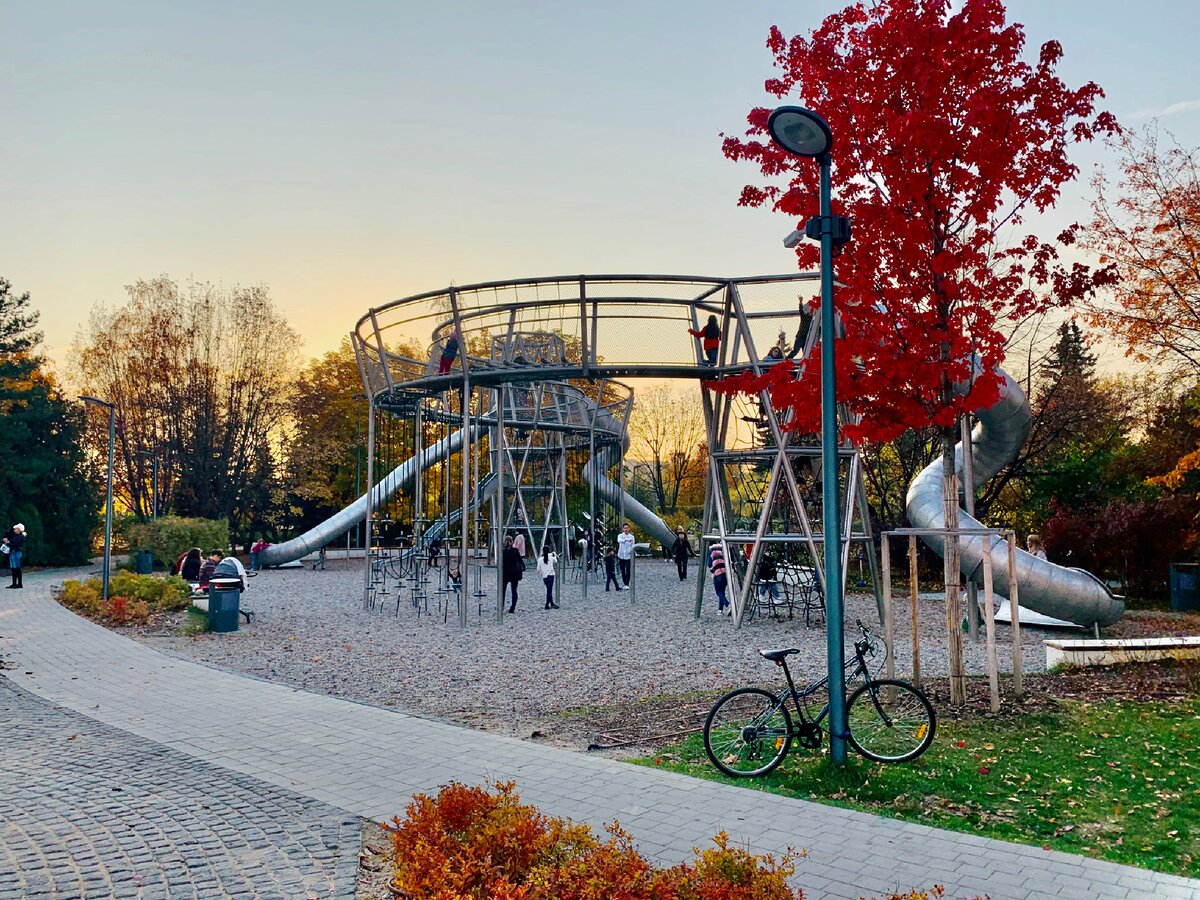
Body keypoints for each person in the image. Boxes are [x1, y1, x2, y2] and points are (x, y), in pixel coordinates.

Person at [501, 535, 523, 613]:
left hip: (505, 574)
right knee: (514, 590)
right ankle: (512, 607)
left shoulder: (503, 552)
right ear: (512, 542)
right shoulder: (515, 551)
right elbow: (520, 561)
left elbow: (500, 563)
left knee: (502, 591)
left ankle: (501, 606)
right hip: (514, 573)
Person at [709, 543, 729, 615]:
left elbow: (709, 564)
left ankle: (728, 604)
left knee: (718, 592)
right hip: (725, 573)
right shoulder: (723, 552)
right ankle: (720, 609)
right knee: (722, 591)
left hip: (717, 574)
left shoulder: (711, 553)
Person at [7, 524, 26, 589]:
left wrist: (8, 542)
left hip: (17, 552)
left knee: (17, 568)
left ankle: (19, 584)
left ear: (19, 529)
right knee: (13, 568)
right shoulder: (17, 536)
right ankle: (14, 583)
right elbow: (12, 543)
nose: (14, 530)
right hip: (13, 552)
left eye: (15, 529)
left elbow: (15, 544)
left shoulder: (21, 537)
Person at [616, 523, 635, 590]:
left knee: (628, 570)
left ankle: (627, 583)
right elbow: (619, 541)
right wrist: (626, 540)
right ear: (623, 529)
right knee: (622, 570)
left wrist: (630, 551)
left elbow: (633, 545)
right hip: (621, 555)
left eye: (627, 528)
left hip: (628, 555)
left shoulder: (632, 537)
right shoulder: (620, 535)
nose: (626, 529)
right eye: (625, 528)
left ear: (629, 529)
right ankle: (624, 582)